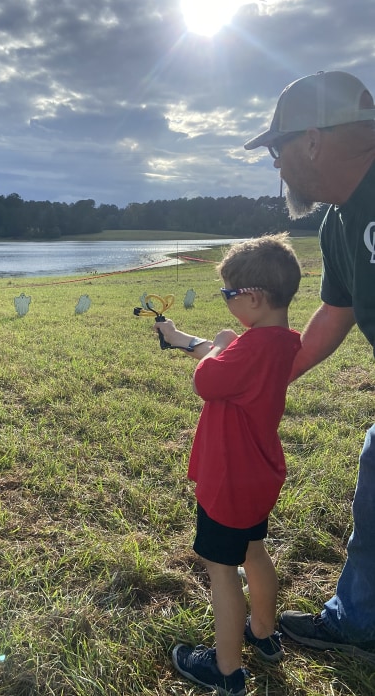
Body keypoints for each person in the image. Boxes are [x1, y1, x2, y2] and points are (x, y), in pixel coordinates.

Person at [244, 70, 375, 665]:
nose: (276, 164)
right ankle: (357, 621)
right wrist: (268, 373)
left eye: (278, 147)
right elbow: (335, 312)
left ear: (314, 142)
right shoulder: (337, 222)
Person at [155, 234, 302, 695]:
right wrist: (181, 338)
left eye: (228, 294)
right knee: (254, 552)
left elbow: (208, 378)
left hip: (227, 482)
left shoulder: (248, 347)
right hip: (257, 477)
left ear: (253, 298)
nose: (225, 301)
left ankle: (226, 670)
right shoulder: (281, 342)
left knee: (221, 569)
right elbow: (226, 357)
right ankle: (264, 633)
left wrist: (219, 343)